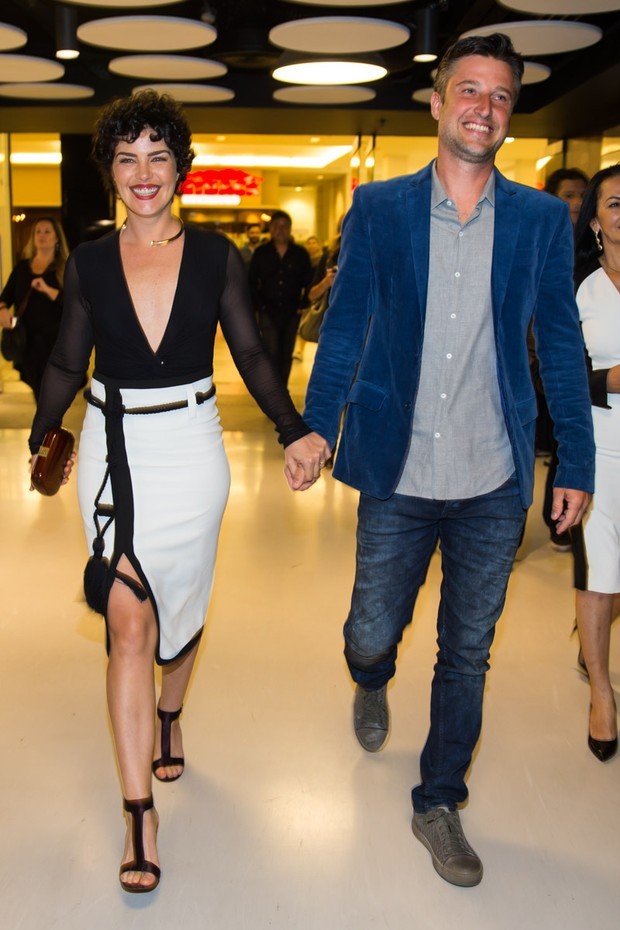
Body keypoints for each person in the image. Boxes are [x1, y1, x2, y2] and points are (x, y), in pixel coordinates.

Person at [303, 33, 594, 888]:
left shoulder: (540, 220)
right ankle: (371, 674)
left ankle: (439, 799)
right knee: (370, 628)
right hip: (398, 470)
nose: (484, 108)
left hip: (493, 476)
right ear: (436, 103)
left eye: (500, 96)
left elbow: (561, 345)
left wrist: (575, 461)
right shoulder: (379, 209)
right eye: (469, 90)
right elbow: (346, 327)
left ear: (511, 115)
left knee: (468, 651)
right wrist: (316, 426)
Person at [27, 90, 328, 894]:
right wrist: (43, 429)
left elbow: (252, 354)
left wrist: (292, 428)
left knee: (181, 609)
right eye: (127, 158)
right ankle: (138, 813)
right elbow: (67, 359)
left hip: (193, 450)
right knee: (128, 618)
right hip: (113, 444)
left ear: (180, 168)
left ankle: (170, 712)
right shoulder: (90, 263)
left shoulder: (218, 256)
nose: (143, 173)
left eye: (158, 157)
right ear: (109, 171)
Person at [571, 164, 620, 763]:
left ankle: (589, 645)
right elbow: (553, 374)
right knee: (600, 571)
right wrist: (610, 379)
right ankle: (602, 695)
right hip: (600, 448)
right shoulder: (578, 287)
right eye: (615, 204)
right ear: (595, 222)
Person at [529, 168, 590, 550]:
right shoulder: (537, 241)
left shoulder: (591, 251)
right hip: (532, 365)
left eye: (583, 194)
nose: (577, 202)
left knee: (563, 443)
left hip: (573, 366)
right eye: (569, 195)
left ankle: (559, 523)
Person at [0, 216, 69, 400]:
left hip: (55, 344)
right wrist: (3, 310)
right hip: (27, 343)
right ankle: (47, 419)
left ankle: (47, 419)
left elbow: (74, 303)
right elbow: (4, 298)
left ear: (57, 238)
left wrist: (48, 290)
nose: (41, 235)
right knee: (41, 395)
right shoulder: (22, 268)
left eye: (47, 231)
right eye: (38, 231)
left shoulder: (65, 268)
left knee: (51, 396)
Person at [248, 210, 313, 385]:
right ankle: (274, 391)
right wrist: (259, 307)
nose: (280, 229)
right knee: (271, 353)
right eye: (276, 226)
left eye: (284, 226)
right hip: (268, 311)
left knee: (286, 353)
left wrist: (303, 304)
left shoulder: (300, 254)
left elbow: (309, 281)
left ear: (290, 228)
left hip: (292, 311)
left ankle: (282, 389)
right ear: (270, 229)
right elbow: (251, 282)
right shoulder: (261, 253)